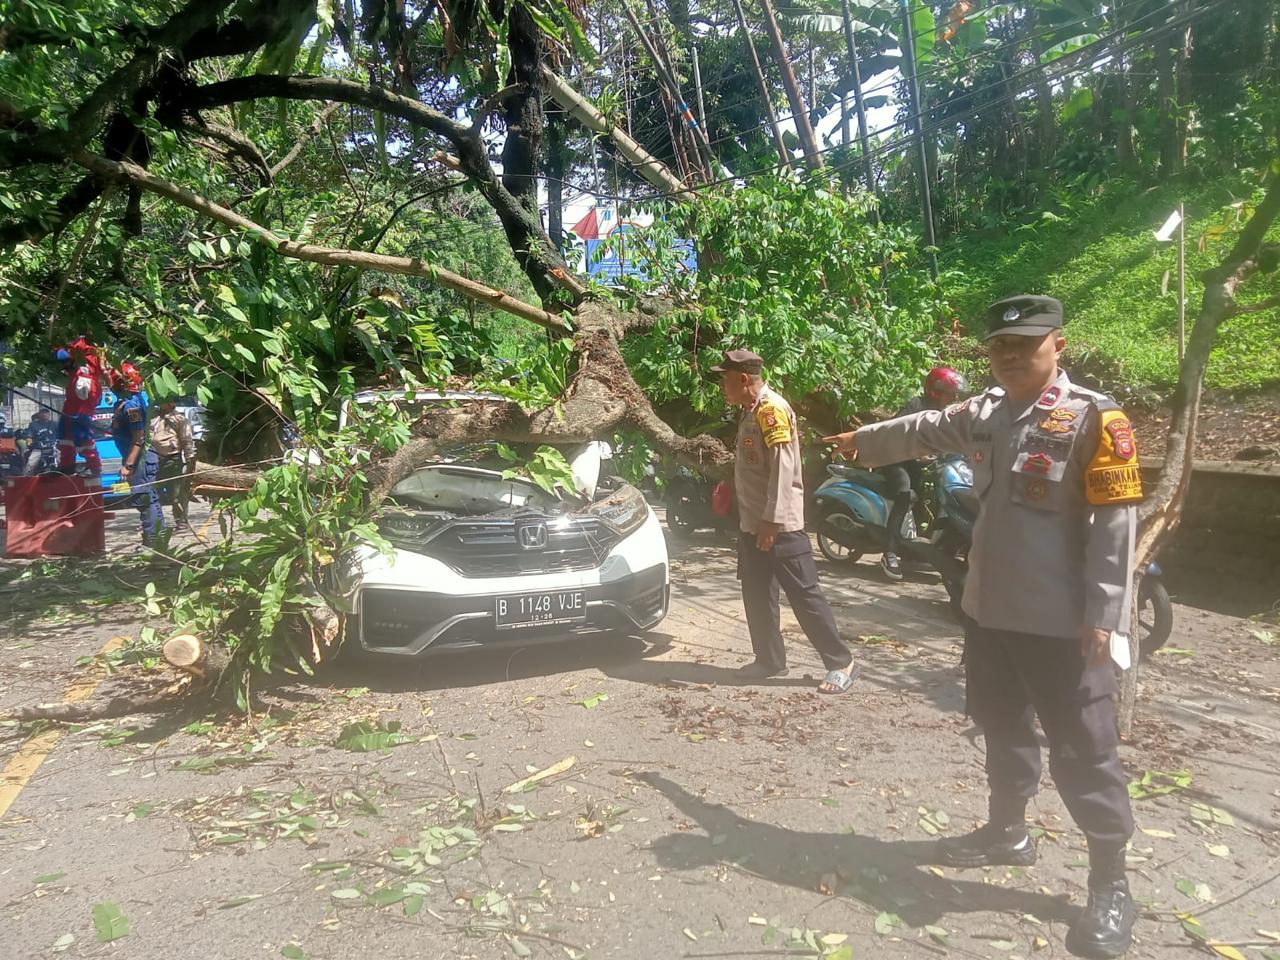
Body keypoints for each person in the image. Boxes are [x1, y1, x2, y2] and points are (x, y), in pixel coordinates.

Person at [825, 296, 1142, 959]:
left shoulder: (1093, 418)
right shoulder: (989, 412)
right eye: (999, 345)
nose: (1009, 355)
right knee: (1000, 725)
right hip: (991, 614)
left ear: (1057, 344)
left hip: (1064, 627)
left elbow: (1117, 527)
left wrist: (1105, 620)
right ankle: (1008, 832)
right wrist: (863, 442)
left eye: (1024, 343)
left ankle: (1111, 883)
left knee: (1084, 752)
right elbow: (925, 428)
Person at [714, 349, 858, 694]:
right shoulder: (750, 411)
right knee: (757, 593)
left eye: (726, 380)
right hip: (753, 521)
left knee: (804, 595)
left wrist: (773, 521)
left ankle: (841, 662)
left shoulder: (772, 410)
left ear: (743, 380)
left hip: (779, 525)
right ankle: (769, 660)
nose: (723, 387)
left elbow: (784, 469)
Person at [879, 366, 967, 581]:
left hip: (916, 464)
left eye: (954, 394)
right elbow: (895, 432)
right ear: (935, 390)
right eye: (949, 393)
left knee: (930, 497)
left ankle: (909, 549)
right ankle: (888, 552)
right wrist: (914, 454)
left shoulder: (942, 413)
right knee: (904, 492)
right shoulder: (915, 406)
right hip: (895, 460)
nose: (953, 397)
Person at [110, 362, 165, 545]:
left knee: (145, 499)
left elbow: (138, 438)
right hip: (137, 457)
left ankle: (154, 541)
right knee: (147, 498)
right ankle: (155, 539)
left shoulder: (131, 406)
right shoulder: (125, 402)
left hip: (140, 460)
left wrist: (129, 465)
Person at [56, 337, 105, 475]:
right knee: (66, 429)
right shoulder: (93, 347)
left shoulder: (84, 344)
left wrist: (58, 346)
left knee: (81, 433)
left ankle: (94, 466)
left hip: (84, 389)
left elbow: (62, 355)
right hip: (78, 389)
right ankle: (67, 465)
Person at [150, 399, 196, 527]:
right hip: (153, 458)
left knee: (175, 494)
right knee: (153, 493)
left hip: (172, 458)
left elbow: (186, 439)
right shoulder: (153, 417)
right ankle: (155, 522)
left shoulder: (179, 419)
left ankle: (181, 520)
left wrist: (189, 459)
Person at [24, 408, 58, 475]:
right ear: (39, 414)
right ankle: (27, 479)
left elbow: (62, 435)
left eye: (46, 412)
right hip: (38, 448)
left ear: (49, 414)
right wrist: (29, 442)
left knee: (63, 460)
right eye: (42, 413)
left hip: (54, 448)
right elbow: (29, 436)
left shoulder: (55, 424)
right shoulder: (33, 425)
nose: (44, 414)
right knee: (31, 463)